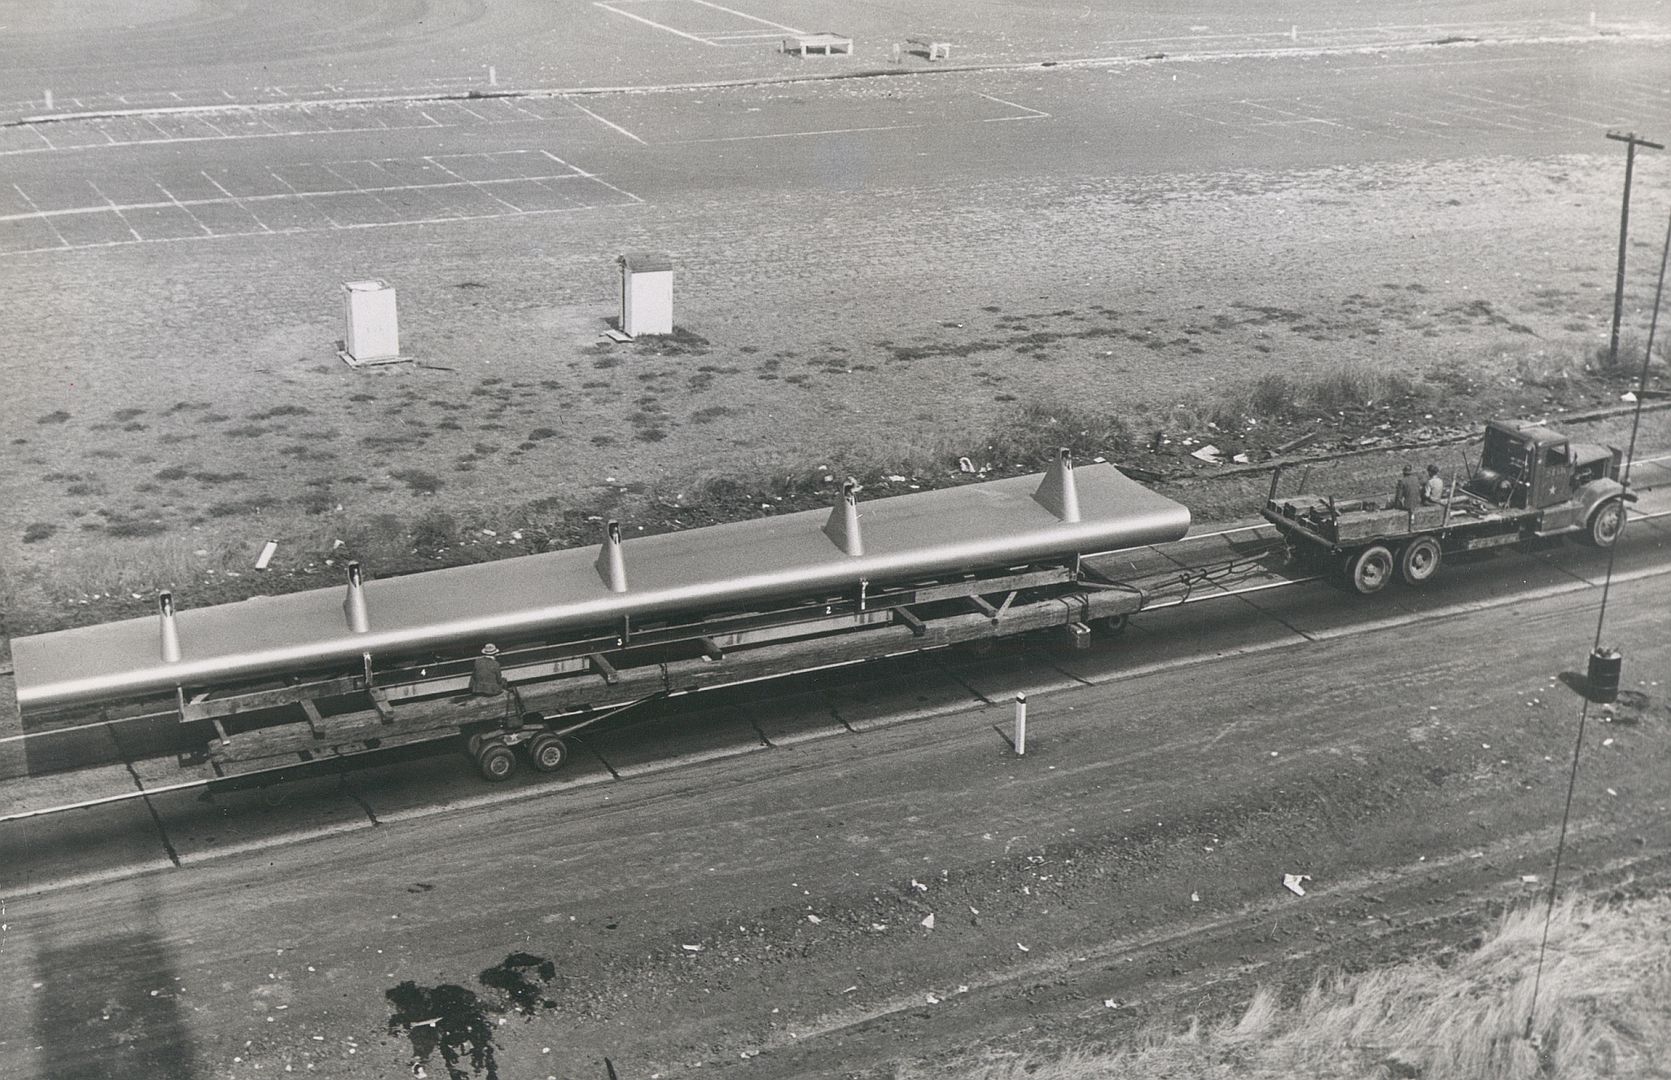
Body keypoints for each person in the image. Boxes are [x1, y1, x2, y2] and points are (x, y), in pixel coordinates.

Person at [470, 643, 523, 729]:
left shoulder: (477, 661)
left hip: (478, 689)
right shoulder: (496, 664)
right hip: (492, 691)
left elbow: (475, 676)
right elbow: (499, 680)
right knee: (504, 681)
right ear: (495, 654)